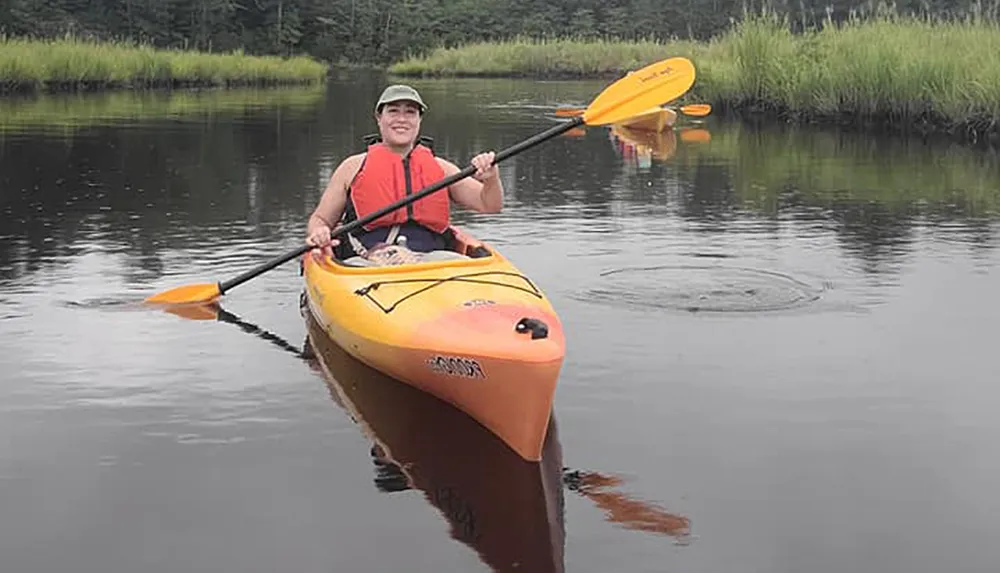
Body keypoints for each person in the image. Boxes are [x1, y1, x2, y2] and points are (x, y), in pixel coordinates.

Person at [305, 84, 504, 262]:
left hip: (431, 261)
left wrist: (491, 179)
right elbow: (320, 220)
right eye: (393, 111)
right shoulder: (352, 167)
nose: (401, 119)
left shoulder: (442, 169)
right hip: (365, 262)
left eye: (410, 112)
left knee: (454, 265)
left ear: (419, 119)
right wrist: (319, 232)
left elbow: (490, 205)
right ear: (379, 118)